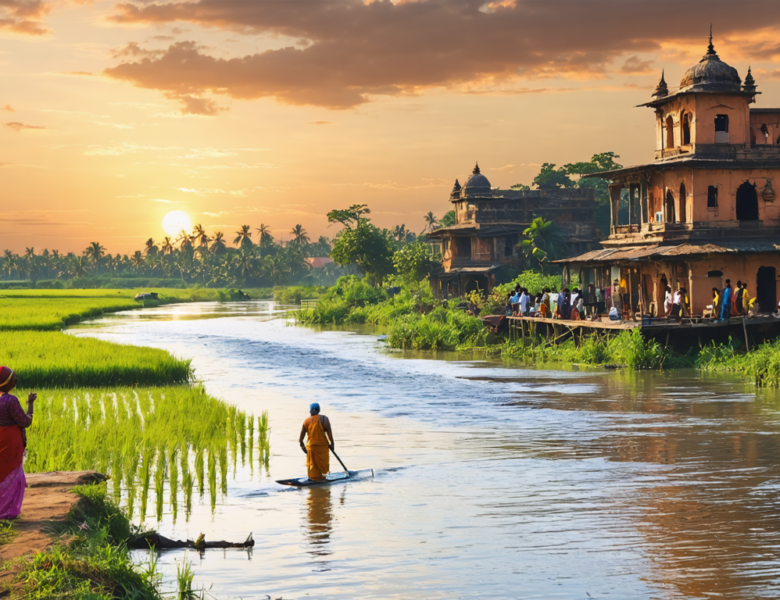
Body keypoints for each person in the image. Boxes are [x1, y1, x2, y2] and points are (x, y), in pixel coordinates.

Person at [0, 366, 36, 519]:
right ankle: (7, 512)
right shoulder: (10, 400)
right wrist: (30, 404)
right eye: (13, 378)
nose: (15, 380)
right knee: (13, 474)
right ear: (5, 382)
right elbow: (25, 421)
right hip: (11, 443)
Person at [298, 403, 334, 481]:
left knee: (312, 465)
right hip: (322, 447)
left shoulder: (306, 421)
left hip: (311, 447)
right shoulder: (324, 419)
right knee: (323, 465)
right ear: (319, 410)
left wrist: (302, 446)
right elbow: (329, 434)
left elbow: (301, 438)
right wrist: (332, 444)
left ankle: (313, 478)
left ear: (310, 411)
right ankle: (322, 478)